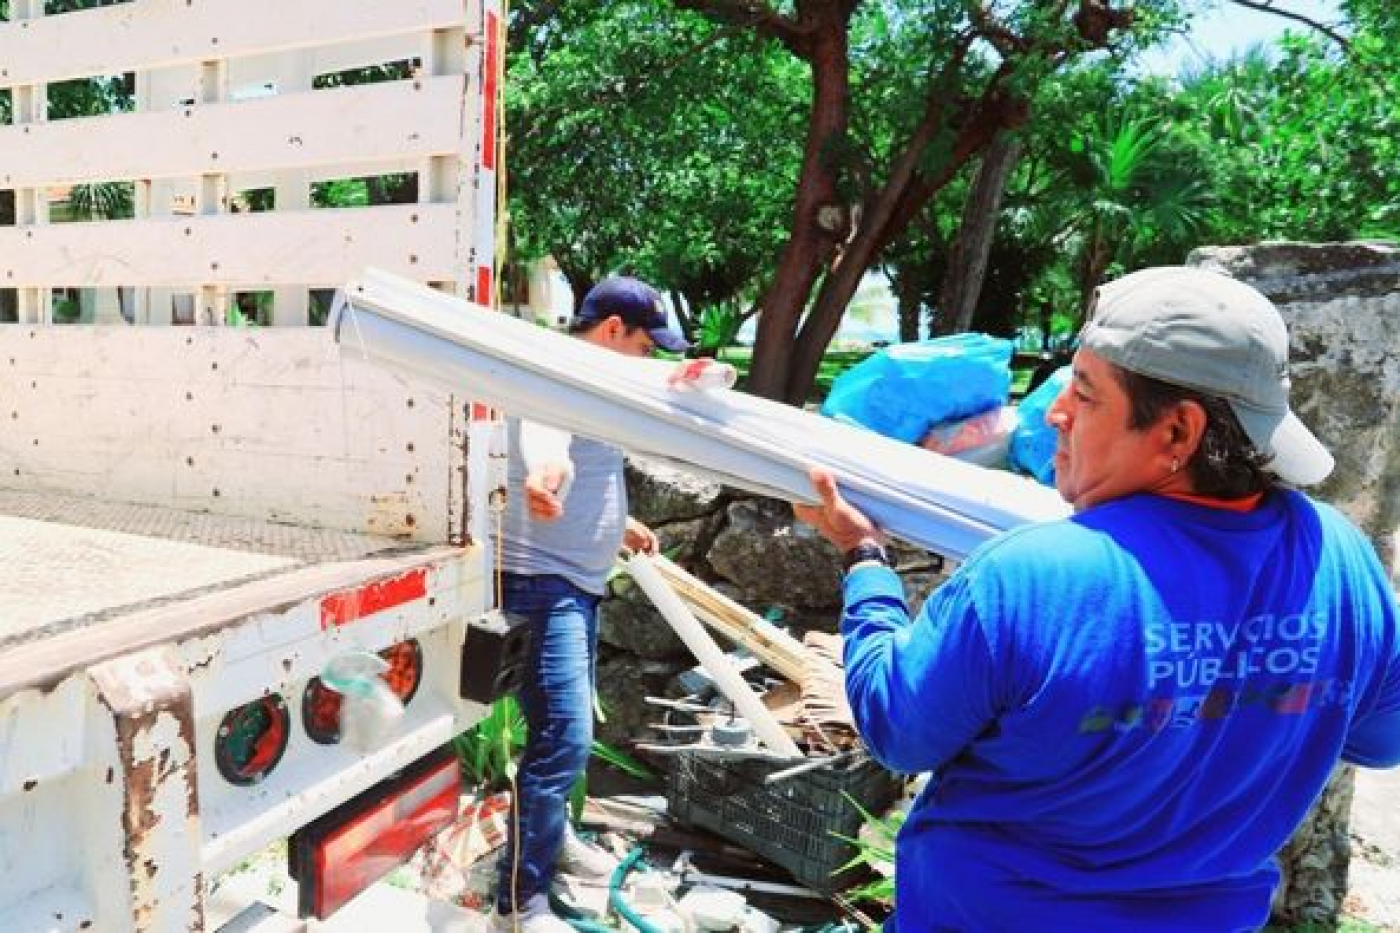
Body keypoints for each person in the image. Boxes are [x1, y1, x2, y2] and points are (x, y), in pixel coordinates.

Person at [795, 266, 1400, 932]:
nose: (1054, 412)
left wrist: (865, 560)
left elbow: (898, 729)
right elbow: (1378, 737)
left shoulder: (1034, 579)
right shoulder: (1340, 560)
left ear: (1177, 432)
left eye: (1083, 394)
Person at [492, 276, 689, 932]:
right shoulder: (558, 373)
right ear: (611, 331)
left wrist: (617, 524)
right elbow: (548, 444)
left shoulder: (593, 378)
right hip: (543, 587)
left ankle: (552, 843)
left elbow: (593, 457)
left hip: (574, 582)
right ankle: (519, 900)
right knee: (562, 739)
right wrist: (548, 480)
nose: (648, 358)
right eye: (644, 345)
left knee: (562, 737)